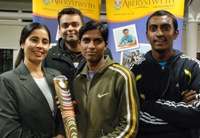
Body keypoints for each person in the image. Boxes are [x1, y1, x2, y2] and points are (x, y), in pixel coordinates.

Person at [129, 10, 200, 138]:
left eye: (165, 28)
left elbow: (197, 115)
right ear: (147, 34)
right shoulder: (133, 71)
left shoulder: (194, 67)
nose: (159, 33)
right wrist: (181, 108)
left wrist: (149, 105)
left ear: (176, 33)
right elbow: (130, 118)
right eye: (153, 28)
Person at [71, 20, 139, 138]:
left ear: (106, 44)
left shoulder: (122, 76)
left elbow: (130, 126)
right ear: (79, 44)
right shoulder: (78, 80)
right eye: (86, 41)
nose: (91, 46)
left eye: (97, 41)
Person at [0, 22, 65, 138]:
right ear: (22, 44)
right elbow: (9, 130)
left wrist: (61, 134)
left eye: (45, 42)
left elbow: (63, 115)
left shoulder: (56, 76)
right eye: (34, 40)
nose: (40, 45)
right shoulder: (7, 81)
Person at [43, 8, 113, 94]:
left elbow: (110, 83)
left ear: (82, 27)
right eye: (65, 26)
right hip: (61, 107)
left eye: (75, 25)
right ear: (59, 30)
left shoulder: (103, 52)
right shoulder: (49, 55)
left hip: (94, 106)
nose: (70, 29)